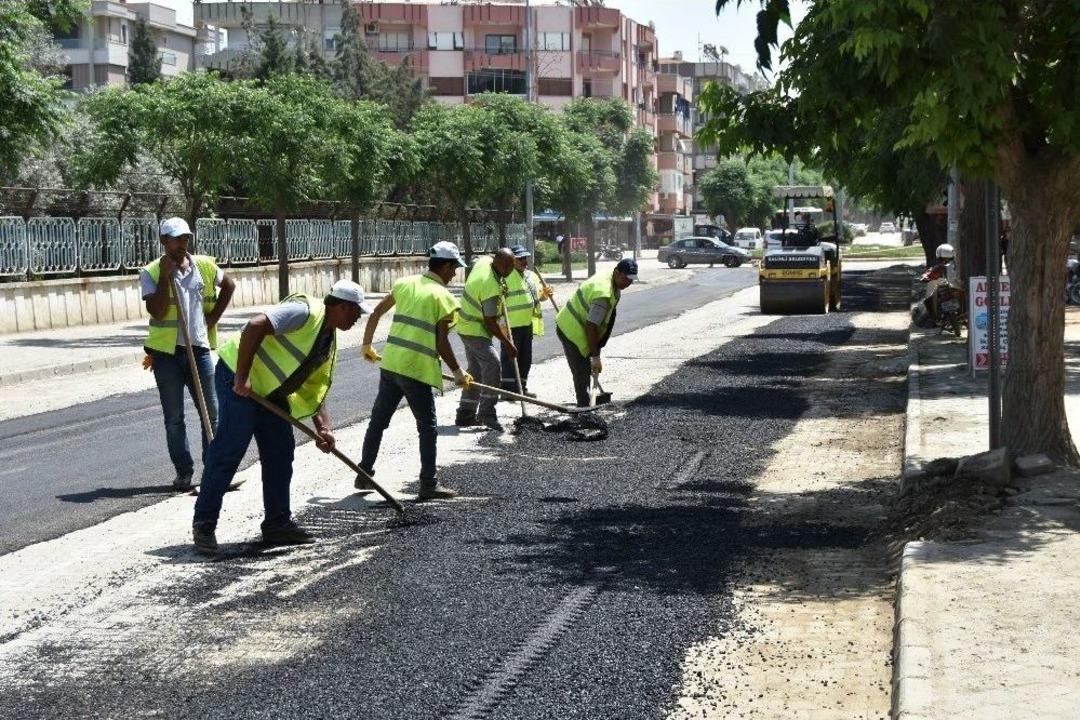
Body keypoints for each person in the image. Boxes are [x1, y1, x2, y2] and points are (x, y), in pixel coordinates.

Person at [191, 280, 372, 554]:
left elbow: (313, 389)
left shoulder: (327, 339)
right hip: (238, 380)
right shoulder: (304, 311)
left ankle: (277, 524)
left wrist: (324, 428)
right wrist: (242, 376)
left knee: (280, 452)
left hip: (270, 393)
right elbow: (254, 326)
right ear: (344, 307)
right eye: (357, 313)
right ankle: (204, 524)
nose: (358, 319)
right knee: (229, 449)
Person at [358, 242, 472, 501]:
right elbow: (441, 342)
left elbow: (375, 313)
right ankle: (428, 483)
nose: (455, 273)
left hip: (391, 365)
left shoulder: (404, 283)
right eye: (454, 268)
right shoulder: (443, 297)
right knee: (427, 428)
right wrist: (457, 372)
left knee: (378, 421)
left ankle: (363, 472)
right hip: (416, 370)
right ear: (445, 266)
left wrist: (366, 344)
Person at [140, 217, 235, 491]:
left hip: (199, 350)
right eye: (176, 239)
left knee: (212, 414)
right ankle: (184, 473)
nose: (182, 244)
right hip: (166, 355)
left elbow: (229, 285)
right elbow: (156, 311)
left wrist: (213, 318)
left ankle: (214, 472)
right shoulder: (151, 272)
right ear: (163, 240)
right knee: (174, 419)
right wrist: (165, 277)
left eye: (185, 238)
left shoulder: (203, 265)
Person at [556, 258, 637, 407]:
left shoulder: (612, 278)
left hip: (581, 326)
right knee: (582, 370)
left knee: (586, 367)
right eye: (625, 278)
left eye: (631, 280)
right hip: (571, 330)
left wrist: (596, 351)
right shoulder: (603, 294)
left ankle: (586, 402)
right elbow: (591, 326)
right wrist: (595, 357)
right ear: (617, 272)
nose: (628, 283)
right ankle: (584, 407)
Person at [455, 248, 517, 431]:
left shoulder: (484, 262)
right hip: (474, 330)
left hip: (465, 325)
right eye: (506, 266)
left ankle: (465, 414)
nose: (509, 270)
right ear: (497, 263)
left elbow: (476, 261)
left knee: (475, 372)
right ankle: (487, 413)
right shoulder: (490, 287)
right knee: (493, 365)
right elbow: (490, 322)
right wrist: (508, 344)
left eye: (511, 266)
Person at [499, 244, 553, 396]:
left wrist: (545, 294)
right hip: (510, 326)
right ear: (512, 260)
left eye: (525, 258)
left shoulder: (532, 276)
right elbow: (498, 303)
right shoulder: (505, 277)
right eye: (520, 258)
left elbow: (538, 297)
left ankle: (521, 389)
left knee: (525, 359)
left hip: (527, 325)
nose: (524, 261)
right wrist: (502, 325)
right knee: (510, 358)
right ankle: (507, 391)